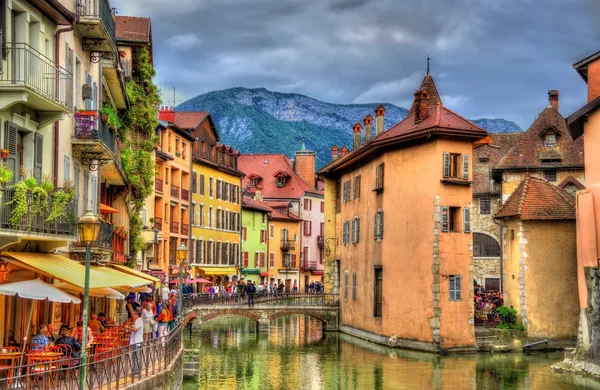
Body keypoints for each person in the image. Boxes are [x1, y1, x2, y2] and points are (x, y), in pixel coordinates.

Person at [127, 309, 143, 376]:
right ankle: (135, 371)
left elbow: (135, 329)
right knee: (135, 357)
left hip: (137, 342)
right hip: (135, 341)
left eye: (133, 314)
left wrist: (128, 327)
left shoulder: (139, 321)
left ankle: (137, 372)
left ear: (137, 315)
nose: (132, 315)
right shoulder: (137, 321)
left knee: (137, 357)